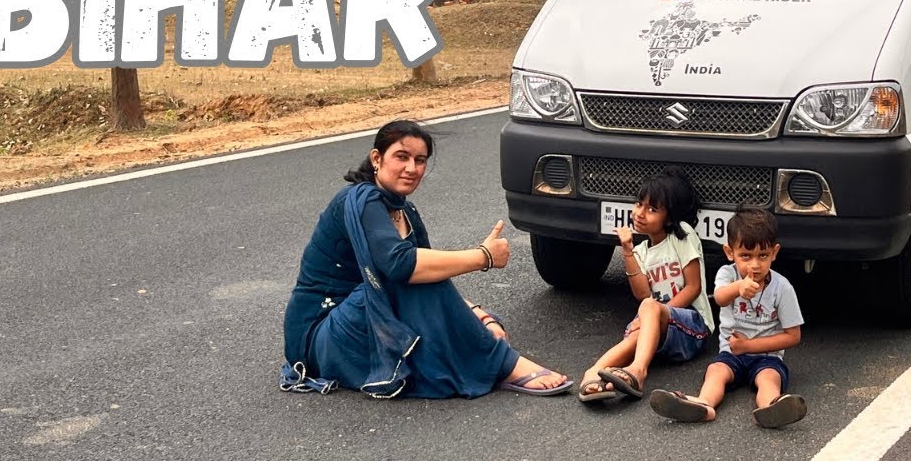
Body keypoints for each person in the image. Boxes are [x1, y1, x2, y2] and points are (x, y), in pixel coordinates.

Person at [279, 119, 573, 399]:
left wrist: (480, 316)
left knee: (422, 275)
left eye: (419, 161)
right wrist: (483, 256)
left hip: (364, 319)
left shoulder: (406, 212)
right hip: (320, 336)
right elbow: (402, 266)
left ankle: (491, 357)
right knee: (402, 271)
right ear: (376, 159)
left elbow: (433, 280)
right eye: (401, 157)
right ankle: (508, 366)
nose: (411, 168)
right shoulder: (360, 199)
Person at [648, 208, 807, 428]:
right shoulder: (727, 274)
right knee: (716, 372)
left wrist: (749, 346)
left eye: (763, 256)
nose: (754, 264)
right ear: (729, 252)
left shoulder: (782, 288)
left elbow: (793, 336)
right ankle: (703, 405)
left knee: (769, 378)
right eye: (745, 256)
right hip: (731, 353)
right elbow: (721, 298)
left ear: (774, 252)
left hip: (766, 356)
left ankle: (770, 408)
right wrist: (739, 287)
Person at [578, 166, 714, 403]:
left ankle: (638, 370)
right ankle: (593, 373)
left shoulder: (682, 235)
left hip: (692, 326)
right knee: (638, 327)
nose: (640, 213)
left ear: (670, 217)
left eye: (652, 209)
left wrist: (664, 313)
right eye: (639, 204)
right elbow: (642, 294)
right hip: (659, 331)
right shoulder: (641, 252)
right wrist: (628, 251)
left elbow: (694, 287)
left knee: (650, 309)